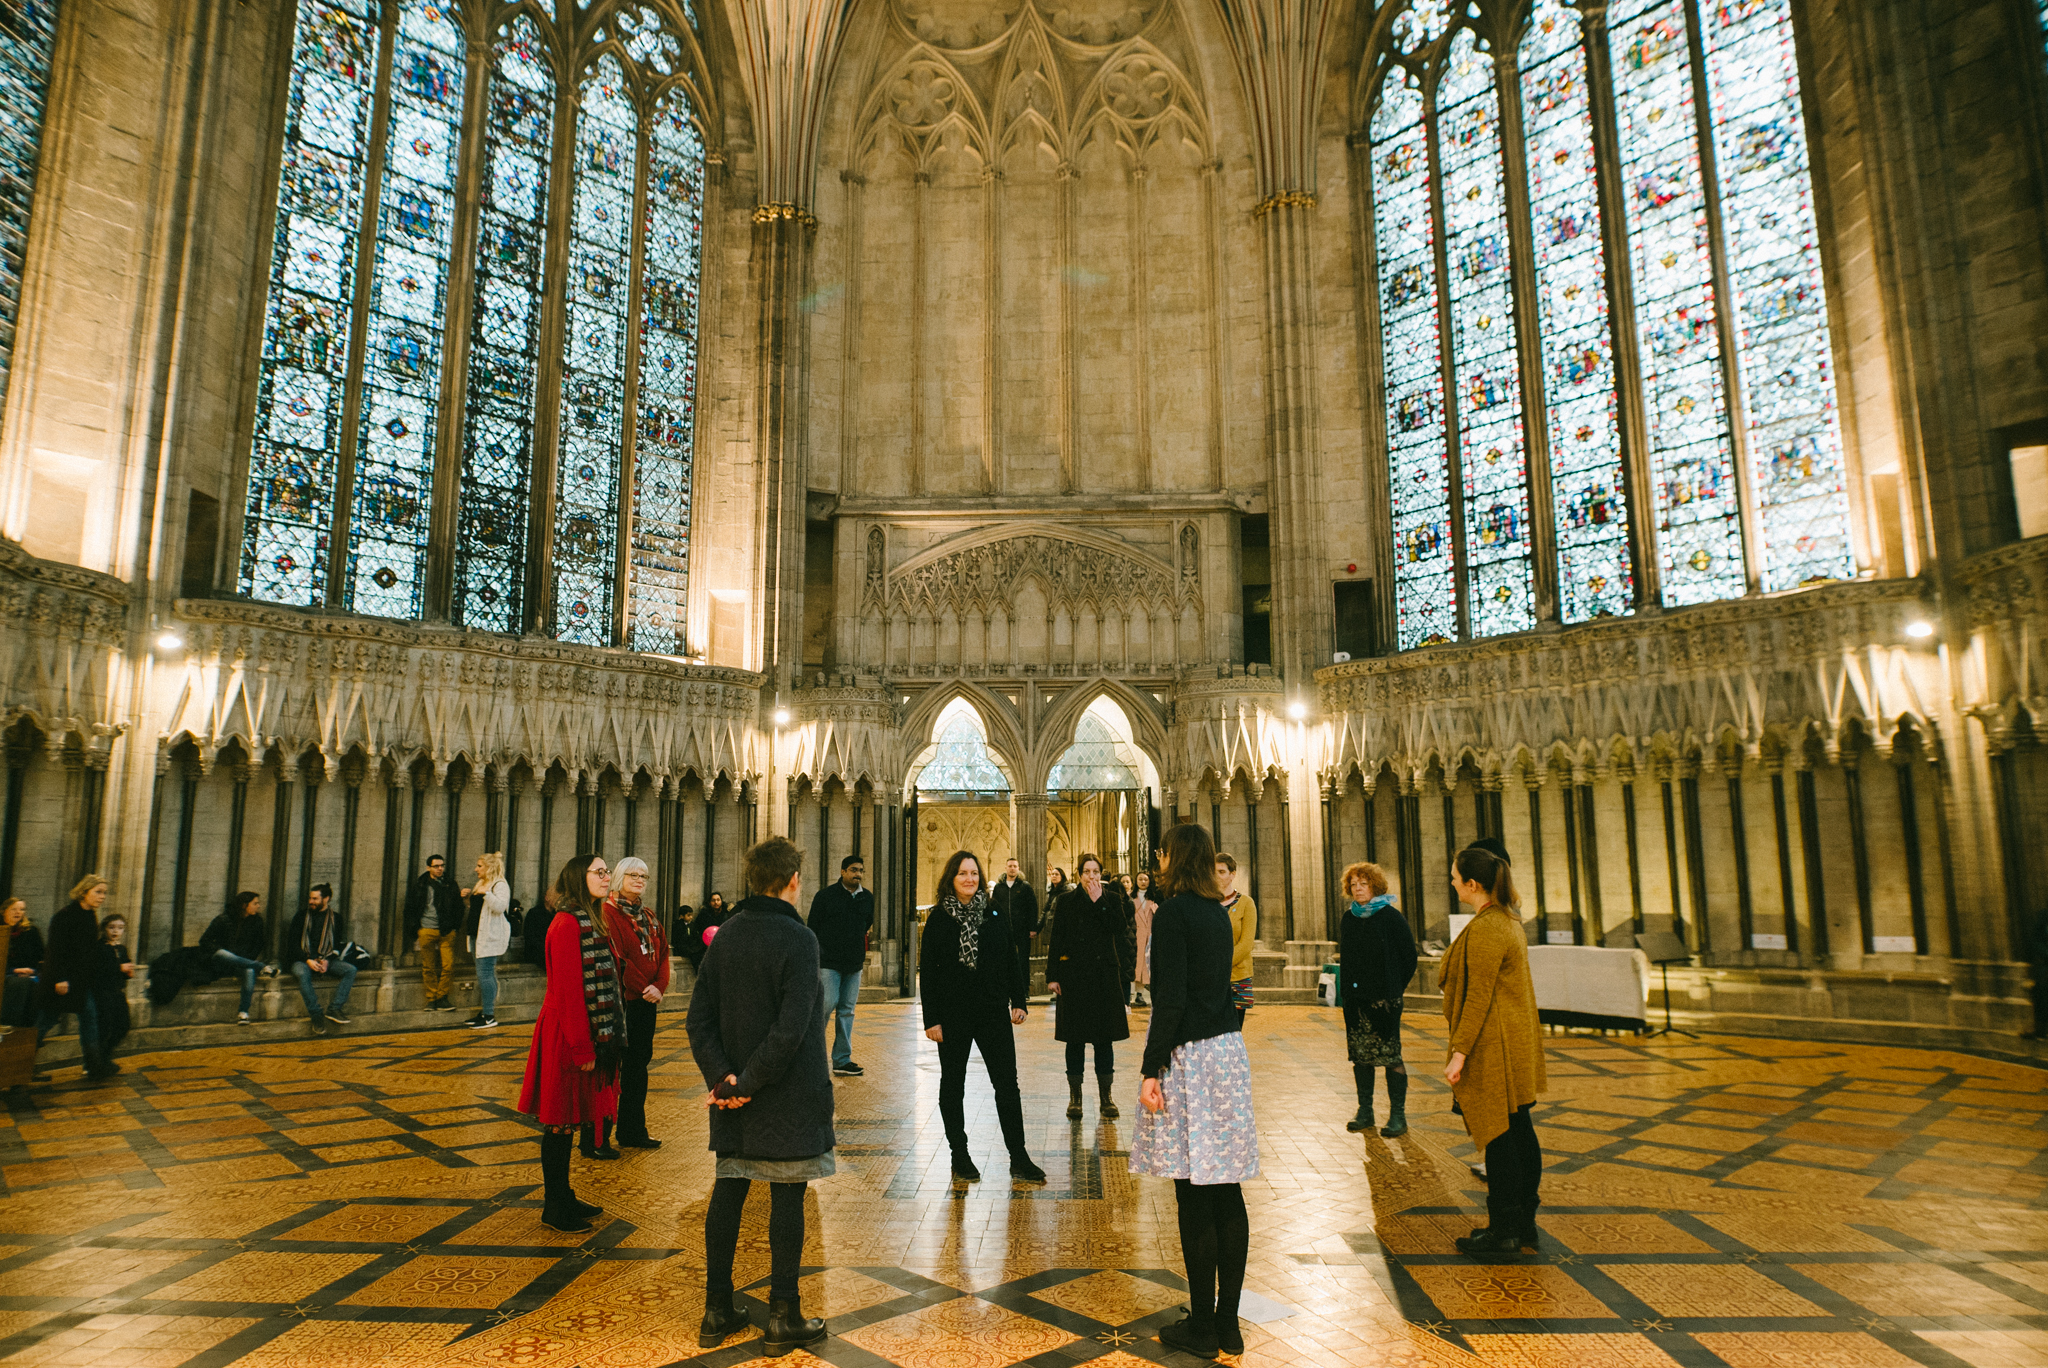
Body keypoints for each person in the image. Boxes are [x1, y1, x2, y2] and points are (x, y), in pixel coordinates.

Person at [687, 835, 836, 1355]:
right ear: (793, 880)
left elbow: (698, 1019)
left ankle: (716, 1309)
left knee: (729, 1190)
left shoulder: (725, 935)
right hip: (786, 1094)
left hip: (735, 1094)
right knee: (787, 1196)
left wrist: (724, 1080)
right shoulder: (800, 939)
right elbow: (792, 1029)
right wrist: (745, 1083)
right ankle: (783, 1315)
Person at [1130, 823, 1256, 1360]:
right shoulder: (1218, 912)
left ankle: (1202, 1326)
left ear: (1173, 858)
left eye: (1162, 853)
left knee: (1193, 1191)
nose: (1158, 861)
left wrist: (1150, 1067)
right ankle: (1228, 1324)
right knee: (1226, 1189)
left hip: (1192, 1058)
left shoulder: (1175, 912)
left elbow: (1171, 998)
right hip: (1227, 1051)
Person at [1442, 844, 1546, 1255]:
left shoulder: (1488, 927)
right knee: (1519, 1130)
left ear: (1472, 884)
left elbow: (1478, 996)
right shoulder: (1507, 920)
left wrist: (1459, 1053)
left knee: (1500, 1137)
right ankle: (1523, 1222)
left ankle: (1503, 1231)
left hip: (1494, 1044)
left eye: (1455, 878)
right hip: (1512, 1040)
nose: (1452, 883)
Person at [921, 849, 1045, 1184]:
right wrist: (931, 1019)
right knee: (953, 1084)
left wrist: (1019, 1000)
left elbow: (1010, 958)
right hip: (953, 1014)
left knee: (1007, 1085)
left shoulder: (993, 912)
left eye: (974, 873)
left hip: (992, 1011)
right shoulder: (939, 918)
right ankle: (959, 1154)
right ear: (951, 878)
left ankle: (1018, 1157)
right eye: (963, 873)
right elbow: (929, 973)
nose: (969, 879)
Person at [517, 853, 625, 1232]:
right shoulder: (565, 923)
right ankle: (554, 1205)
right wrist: (582, 1046)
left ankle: (564, 1195)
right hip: (567, 1031)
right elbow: (568, 990)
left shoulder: (591, 919)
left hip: (585, 1029)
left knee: (571, 1119)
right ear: (580, 877)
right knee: (559, 1121)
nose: (606, 876)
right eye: (599, 872)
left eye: (607, 871)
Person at [1046, 854, 1135, 1121]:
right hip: (1074, 977)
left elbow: (1119, 928)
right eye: (1087, 872)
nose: (1092, 877)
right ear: (1079, 874)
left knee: (1103, 1039)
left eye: (1096, 872)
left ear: (1100, 874)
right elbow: (1057, 937)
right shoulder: (1066, 900)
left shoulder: (1113, 899)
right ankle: (1075, 1097)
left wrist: (1100, 903)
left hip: (1103, 977)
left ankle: (1106, 1097)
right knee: (1074, 1040)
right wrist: (1052, 976)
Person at [1338, 861, 1417, 1137]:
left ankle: (1398, 1116)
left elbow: (1409, 957)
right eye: (1353, 884)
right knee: (1361, 1056)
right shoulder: (1349, 918)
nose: (1358, 889)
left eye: (1364, 883)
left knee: (1390, 1055)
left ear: (1375, 886)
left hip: (1385, 1000)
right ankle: (1365, 1111)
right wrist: (1348, 993)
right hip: (1356, 1000)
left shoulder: (1391, 917)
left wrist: (1394, 987)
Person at [599, 855, 669, 1151]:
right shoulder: (608, 913)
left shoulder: (648, 915)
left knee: (638, 1068)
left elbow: (663, 952)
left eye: (644, 876)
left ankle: (632, 1130)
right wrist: (645, 988)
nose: (640, 880)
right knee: (613, 1068)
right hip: (622, 1002)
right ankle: (599, 1136)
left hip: (646, 1001)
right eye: (633, 875)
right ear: (619, 878)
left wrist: (660, 986)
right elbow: (618, 957)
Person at [37, 877, 111, 1078]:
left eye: (104, 893)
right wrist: (59, 979)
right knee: (45, 1021)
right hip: (62, 981)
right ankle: (17, 1065)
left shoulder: (90, 916)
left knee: (89, 1018)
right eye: (98, 892)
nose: (102, 897)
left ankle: (94, 1066)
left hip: (80, 981)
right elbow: (55, 950)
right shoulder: (65, 916)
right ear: (84, 892)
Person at [807, 854, 873, 1078]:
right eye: (854, 870)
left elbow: (867, 923)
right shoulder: (825, 896)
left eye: (861, 870)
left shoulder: (867, 898)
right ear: (843, 871)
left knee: (847, 1011)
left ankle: (842, 1060)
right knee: (825, 1006)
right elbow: (813, 926)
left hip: (854, 964)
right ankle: (811, 1057)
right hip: (830, 963)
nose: (858, 874)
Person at [285, 884, 356, 1035]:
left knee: (350, 970)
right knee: (302, 973)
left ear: (326, 899)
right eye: (310, 898)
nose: (311, 901)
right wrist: (308, 960)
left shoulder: (336, 918)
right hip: (302, 960)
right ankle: (316, 1015)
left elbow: (336, 945)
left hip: (325, 959)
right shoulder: (301, 916)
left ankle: (334, 1009)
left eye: (315, 899)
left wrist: (327, 960)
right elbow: (292, 944)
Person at [199, 891, 268, 1025]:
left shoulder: (256, 922)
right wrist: (220, 950)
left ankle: (243, 1012)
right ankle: (261, 967)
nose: (258, 906)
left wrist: (245, 959)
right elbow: (205, 941)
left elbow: (259, 944)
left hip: (241, 964)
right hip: (220, 963)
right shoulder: (223, 919)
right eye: (255, 903)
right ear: (244, 905)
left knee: (249, 971)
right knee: (223, 954)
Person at [405, 854, 462, 1011]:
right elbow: (410, 907)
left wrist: (455, 927)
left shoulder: (450, 884)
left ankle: (442, 997)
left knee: (448, 965)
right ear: (428, 868)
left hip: (446, 930)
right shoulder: (420, 885)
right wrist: (417, 928)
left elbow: (458, 906)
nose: (440, 869)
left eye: (442, 866)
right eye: (436, 866)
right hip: (427, 929)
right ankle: (431, 998)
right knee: (428, 967)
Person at [464, 853, 512, 1030]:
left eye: (479, 866)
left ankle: (489, 1015)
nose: (476, 869)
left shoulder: (500, 884)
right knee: (482, 974)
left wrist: (487, 893)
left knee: (485, 974)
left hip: (489, 936)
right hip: (476, 934)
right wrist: (467, 899)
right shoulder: (481, 883)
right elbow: (479, 908)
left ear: (489, 867)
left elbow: (500, 907)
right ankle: (485, 1012)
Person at [1215, 853, 1257, 1025]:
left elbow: (1246, 944)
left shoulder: (1246, 903)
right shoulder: (1207, 903)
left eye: (1221, 872)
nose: (1216, 876)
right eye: (1213, 872)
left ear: (1232, 874)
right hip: (1211, 978)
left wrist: (1219, 964)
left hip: (1238, 976)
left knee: (1234, 1028)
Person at [990, 857, 1040, 1001]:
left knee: (1023, 961)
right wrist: (995, 925)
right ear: (1006, 868)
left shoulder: (1025, 887)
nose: (1012, 868)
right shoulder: (999, 887)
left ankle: (1024, 991)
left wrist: (1033, 928)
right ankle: (1005, 990)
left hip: (1022, 930)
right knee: (1004, 960)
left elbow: (1032, 907)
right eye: (1010, 866)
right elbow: (994, 907)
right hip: (1004, 930)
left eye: (1015, 866)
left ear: (1018, 868)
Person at [92, 913, 133, 1065]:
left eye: (120, 928)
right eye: (112, 927)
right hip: (103, 993)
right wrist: (119, 968)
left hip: (118, 992)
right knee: (104, 1027)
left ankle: (105, 1055)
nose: (116, 931)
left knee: (123, 1026)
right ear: (104, 929)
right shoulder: (99, 947)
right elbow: (98, 970)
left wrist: (128, 972)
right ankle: (98, 1061)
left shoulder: (121, 948)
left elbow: (126, 966)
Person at [3, 897, 45, 1029]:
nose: (18, 912)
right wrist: (14, 970)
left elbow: (42, 955)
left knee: (37, 986)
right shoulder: (2, 931)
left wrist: (34, 970)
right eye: (14, 909)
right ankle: (10, 1027)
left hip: (30, 974)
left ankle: (28, 1030)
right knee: (19, 985)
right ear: (4, 911)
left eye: (22, 909)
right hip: (7, 973)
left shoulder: (31, 931)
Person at [684, 893, 730, 968]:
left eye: (718, 900)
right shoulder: (704, 914)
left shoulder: (726, 914)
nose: (716, 902)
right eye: (713, 900)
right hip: (704, 944)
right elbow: (697, 928)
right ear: (709, 902)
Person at [1132, 871, 1155, 1009]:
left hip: (1150, 935)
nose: (1143, 882)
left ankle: (1149, 990)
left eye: (1146, 879)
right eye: (1140, 879)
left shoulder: (1154, 897)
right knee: (1138, 964)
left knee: (1149, 964)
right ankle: (1138, 993)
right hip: (1137, 935)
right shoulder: (1131, 898)